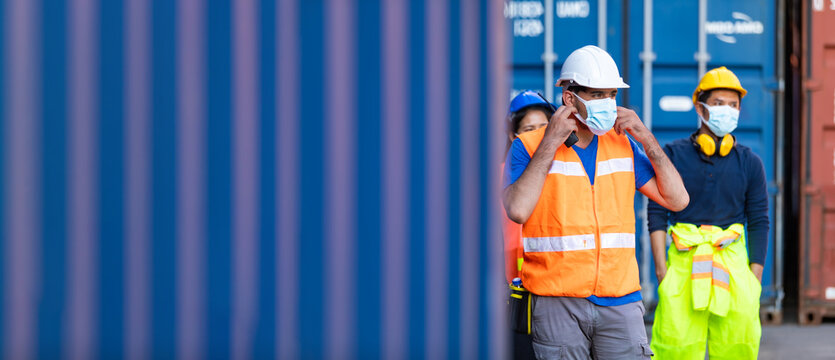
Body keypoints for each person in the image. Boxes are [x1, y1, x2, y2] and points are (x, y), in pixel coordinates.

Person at [503, 45, 689, 359]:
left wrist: (645, 137)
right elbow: (517, 209)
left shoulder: (624, 144)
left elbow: (678, 199)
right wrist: (551, 140)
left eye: (612, 95)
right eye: (597, 95)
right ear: (569, 98)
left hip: (621, 299)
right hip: (557, 300)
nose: (607, 103)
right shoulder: (528, 145)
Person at [648, 66, 769, 360]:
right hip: (683, 265)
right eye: (718, 103)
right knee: (675, 346)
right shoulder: (673, 155)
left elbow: (759, 220)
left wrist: (753, 279)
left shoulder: (750, 163)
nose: (726, 110)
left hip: (734, 265)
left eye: (733, 105)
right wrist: (663, 272)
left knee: (736, 346)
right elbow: (656, 211)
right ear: (699, 106)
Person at [502, 90, 554, 360]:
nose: (537, 135)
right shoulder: (502, 174)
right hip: (516, 293)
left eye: (544, 128)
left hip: (557, 289)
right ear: (514, 136)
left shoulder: (566, 171)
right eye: (529, 129)